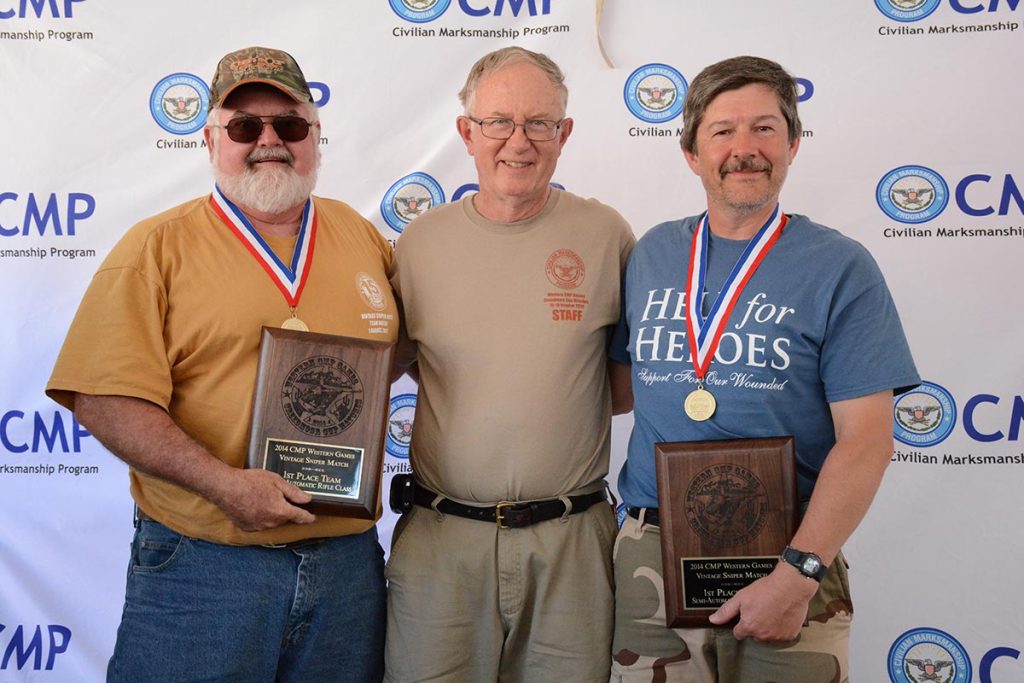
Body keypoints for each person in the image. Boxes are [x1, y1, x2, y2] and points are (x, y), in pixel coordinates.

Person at [46, 46, 396, 682]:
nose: (269, 141)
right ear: (210, 140)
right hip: (204, 567)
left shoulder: (361, 236)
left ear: (317, 138)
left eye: (289, 125)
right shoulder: (157, 247)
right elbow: (103, 398)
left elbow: (404, 357)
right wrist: (224, 485)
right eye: (244, 126)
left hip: (346, 566)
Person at [608, 55, 920, 682]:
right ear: (692, 152)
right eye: (722, 131)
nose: (744, 149)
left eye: (764, 129)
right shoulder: (652, 255)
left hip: (790, 552)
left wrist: (797, 576)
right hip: (652, 553)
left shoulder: (840, 266)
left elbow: (867, 443)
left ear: (793, 143)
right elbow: (611, 391)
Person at [385, 46, 635, 682]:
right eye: (497, 122)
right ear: (466, 132)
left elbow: (626, 384)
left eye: (539, 123)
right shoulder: (419, 244)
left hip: (572, 542)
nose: (517, 143)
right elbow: (393, 366)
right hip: (442, 541)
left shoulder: (607, 235)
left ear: (565, 134)